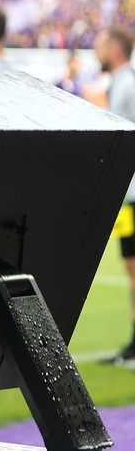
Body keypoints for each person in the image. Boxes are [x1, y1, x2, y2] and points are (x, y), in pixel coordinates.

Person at [95, 25, 135, 367]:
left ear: (114, 49)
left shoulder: (128, 83)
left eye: (100, 45)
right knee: (131, 266)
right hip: (128, 195)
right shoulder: (120, 82)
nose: (97, 52)